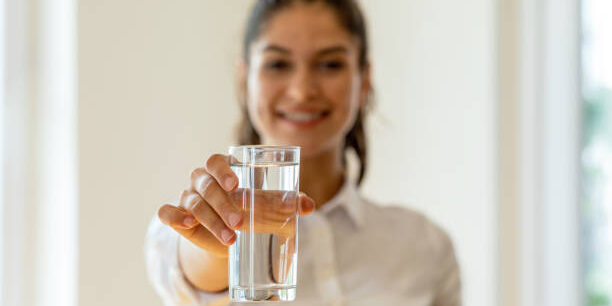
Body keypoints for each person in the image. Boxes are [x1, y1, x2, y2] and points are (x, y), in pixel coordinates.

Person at [145, 0, 461, 305]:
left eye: (330, 64)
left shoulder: (425, 247)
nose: (302, 90)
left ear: (364, 81)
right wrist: (222, 243)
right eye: (278, 64)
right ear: (244, 80)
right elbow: (198, 273)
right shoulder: (187, 226)